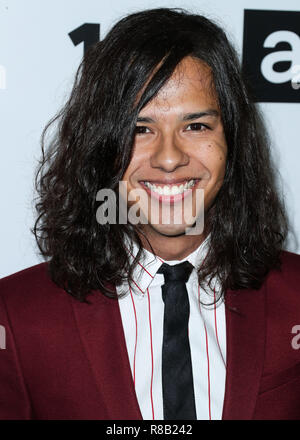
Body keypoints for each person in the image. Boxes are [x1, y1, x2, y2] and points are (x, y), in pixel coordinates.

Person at [0, 7, 300, 420]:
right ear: (100, 145)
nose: (170, 158)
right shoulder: (15, 316)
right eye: (140, 129)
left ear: (233, 141)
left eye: (196, 126)